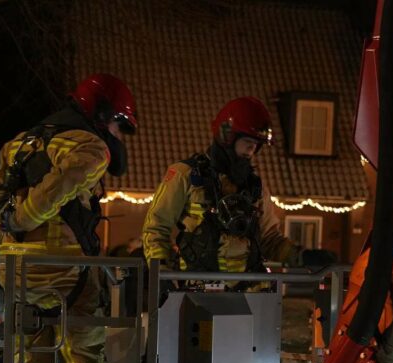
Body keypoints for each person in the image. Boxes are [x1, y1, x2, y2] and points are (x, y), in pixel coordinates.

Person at [0, 73, 137, 363]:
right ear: (101, 114)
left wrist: (13, 218)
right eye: (119, 123)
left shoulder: (22, 142)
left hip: (15, 270)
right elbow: (61, 186)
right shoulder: (91, 147)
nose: (119, 134)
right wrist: (27, 216)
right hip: (64, 270)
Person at [141, 96, 335, 279]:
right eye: (248, 142)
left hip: (248, 289)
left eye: (256, 145)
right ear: (227, 137)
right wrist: (163, 274)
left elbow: (269, 239)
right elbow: (156, 228)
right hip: (195, 286)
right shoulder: (185, 175)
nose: (252, 150)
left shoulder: (255, 188)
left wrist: (302, 257)